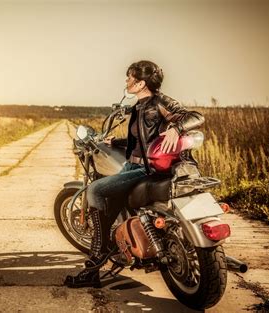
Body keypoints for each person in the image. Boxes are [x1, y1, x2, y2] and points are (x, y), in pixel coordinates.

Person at [64, 60, 205, 288]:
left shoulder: (159, 101)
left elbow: (195, 116)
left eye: (130, 78)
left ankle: (98, 258)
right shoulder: (139, 106)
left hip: (144, 168)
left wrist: (176, 128)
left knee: (95, 190)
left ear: (141, 83)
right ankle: (115, 242)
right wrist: (117, 141)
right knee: (114, 201)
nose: (126, 81)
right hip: (135, 164)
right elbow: (144, 137)